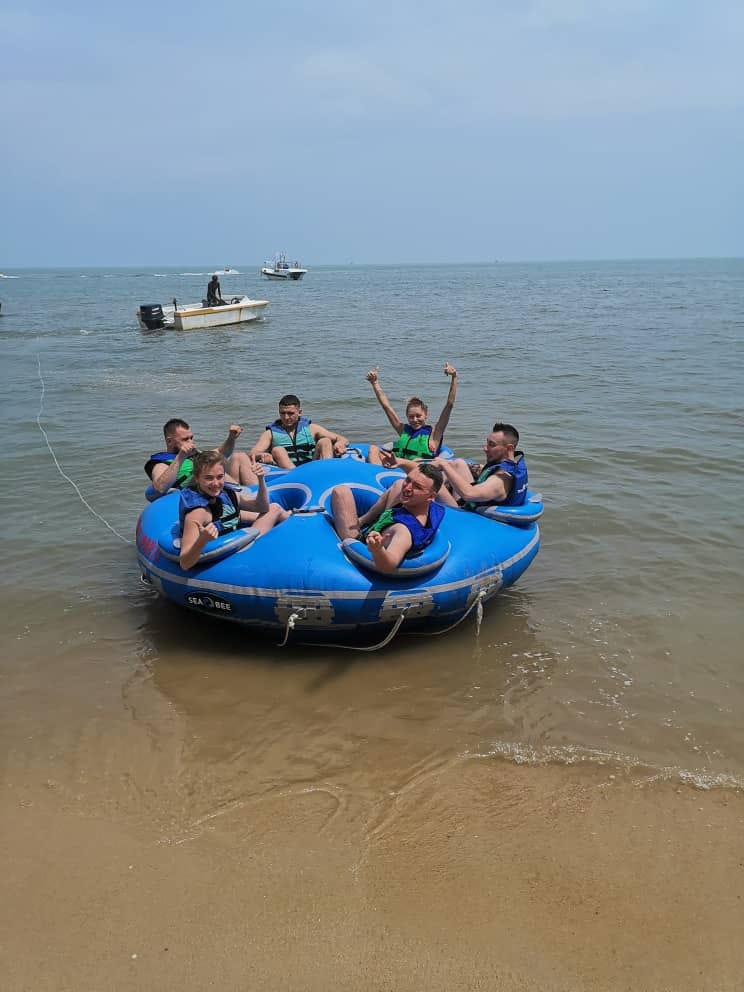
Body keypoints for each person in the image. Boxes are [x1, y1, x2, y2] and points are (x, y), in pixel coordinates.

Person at [178, 450, 288, 570]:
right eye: (208, 478)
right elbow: (184, 563)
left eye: (220, 477)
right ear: (197, 478)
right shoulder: (197, 514)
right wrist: (202, 540)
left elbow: (262, 507)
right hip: (232, 556)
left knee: (274, 507)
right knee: (275, 509)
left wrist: (261, 479)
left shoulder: (227, 494)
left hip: (238, 541)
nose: (216, 483)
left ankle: (294, 526)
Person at [331, 462, 445, 574]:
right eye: (408, 480)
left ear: (431, 496)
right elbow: (417, 479)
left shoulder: (403, 532)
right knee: (398, 484)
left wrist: (378, 550)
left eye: (417, 487)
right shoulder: (428, 506)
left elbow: (389, 566)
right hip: (389, 521)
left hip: (362, 543)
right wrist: (401, 462)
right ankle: (362, 521)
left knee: (340, 492)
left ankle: (355, 529)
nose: (408, 488)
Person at [365, 363, 458, 465]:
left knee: (415, 460)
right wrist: (375, 383)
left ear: (426, 415)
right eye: (411, 417)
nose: (415, 420)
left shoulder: (435, 433)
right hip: (395, 467)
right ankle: (378, 473)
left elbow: (449, 405)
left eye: (418, 416)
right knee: (373, 449)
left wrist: (454, 377)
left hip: (416, 469)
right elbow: (386, 407)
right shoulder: (403, 430)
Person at [145, 418, 259, 494]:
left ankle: (255, 493)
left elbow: (222, 452)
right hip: (204, 493)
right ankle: (246, 497)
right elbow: (160, 487)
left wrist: (231, 438)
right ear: (170, 441)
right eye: (185, 439)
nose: (191, 442)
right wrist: (180, 457)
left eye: (191, 438)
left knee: (239, 456)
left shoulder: (195, 454)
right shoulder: (160, 464)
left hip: (225, 486)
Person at [430, 422, 528, 510]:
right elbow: (487, 472)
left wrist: (444, 464)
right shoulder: (509, 465)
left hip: (469, 517)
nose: (485, 448)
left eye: (491, 445)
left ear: (509, 448)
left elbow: (468, 494)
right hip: (475, 502)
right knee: (459, 463)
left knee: (432, 482)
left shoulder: (500, 480)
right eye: (487, 442)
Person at [250, 394, 349, 470]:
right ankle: (296, 476)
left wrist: (340, 443)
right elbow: (253, 453)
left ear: (299, 412)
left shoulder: (312, 428)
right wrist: (263, 455)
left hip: (312, 467)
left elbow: (342, 439)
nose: (286, 417)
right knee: (277, 450)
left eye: (290, 413)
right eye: (282, 413)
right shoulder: (270, 433)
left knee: (325, 441)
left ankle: (327, 471)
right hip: (287, 472)